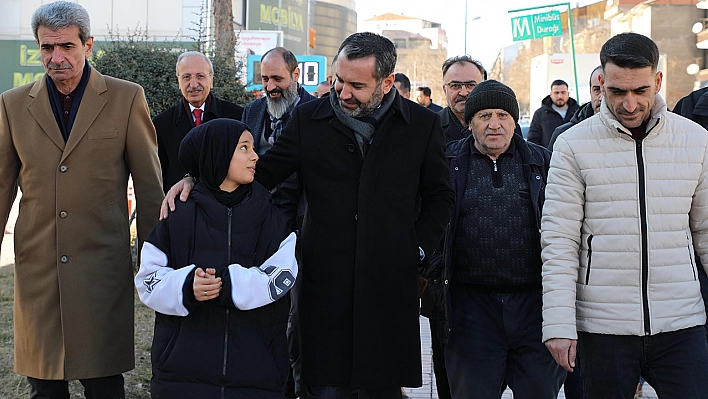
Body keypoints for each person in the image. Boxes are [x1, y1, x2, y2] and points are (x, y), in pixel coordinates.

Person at [162, 31, 455, 399]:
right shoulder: (308, 119)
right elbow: (262, 175)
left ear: (387, 82)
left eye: (357, 86)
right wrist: (198, 179)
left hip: (388, 285)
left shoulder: (422, 126)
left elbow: (440, 196)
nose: (343, 93)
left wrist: (416, 249)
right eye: (338, 80)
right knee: (324, 388)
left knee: (381, 389)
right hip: (323, 284)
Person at [0, 2, 164, 398]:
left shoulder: (126, 99)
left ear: (88, 45)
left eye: (67, 47)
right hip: (39, 269)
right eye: (46, 48)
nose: (56, 58)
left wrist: (156, 259)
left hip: (101, 268)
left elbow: (148, 184)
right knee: (44, 384)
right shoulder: (13, 104)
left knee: (104, 382)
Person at [542, 32, 708, 399]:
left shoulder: (695, 140)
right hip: (603, 327)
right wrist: (558, 324)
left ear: (658, 81)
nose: (630, 104)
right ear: (601, 81)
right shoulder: (572, 144)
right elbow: (559, 239)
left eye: (640, 91)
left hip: (681, 321)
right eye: (617, 91)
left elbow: (707, 231)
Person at [135, 119, 298, 398]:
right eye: (243, 148)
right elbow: (148, 280)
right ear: (217, 154)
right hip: (182, 377)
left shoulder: (271, 216)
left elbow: (282, 274)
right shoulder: (177, 215)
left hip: (258, 376)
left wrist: (230, 283)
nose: (255, 156)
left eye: (252, 147)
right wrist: (186, 286)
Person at [441, 80, 564, 399]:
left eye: (502, 115)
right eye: (483, 116)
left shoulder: (543, 162)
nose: (494, 124)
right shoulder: (446, 163)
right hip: (471, 311)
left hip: (534, 308)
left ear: (514, 120)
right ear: (469, 123)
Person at [152, 51, 244, 193]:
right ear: (178, 81)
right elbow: (158, 175)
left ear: (211, 79)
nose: (193, 84)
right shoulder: (161, 124)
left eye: (200, 76)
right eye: (186, 77)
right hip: (181, 207)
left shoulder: (236, 116)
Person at [547, 66, 603, 150]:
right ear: (590, 91)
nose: (601, 97)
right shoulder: (563, 133)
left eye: (608, 90)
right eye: (597, 89)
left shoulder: (629, 130)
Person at [438, 56, 486, 143]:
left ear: (482, 88)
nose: (463, 93)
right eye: (455, 86)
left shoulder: (502, 127)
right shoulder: (430, 127)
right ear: (445, 90)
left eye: (471, 85)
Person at [527, 79, 579, 149]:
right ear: (551, 94)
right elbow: (533, 140)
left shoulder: (578, 112)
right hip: (549, 157)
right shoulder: (540, 114)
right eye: (556, 93)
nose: (560, 96)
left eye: (563, 92)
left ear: (568, 94)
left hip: (573, 157)